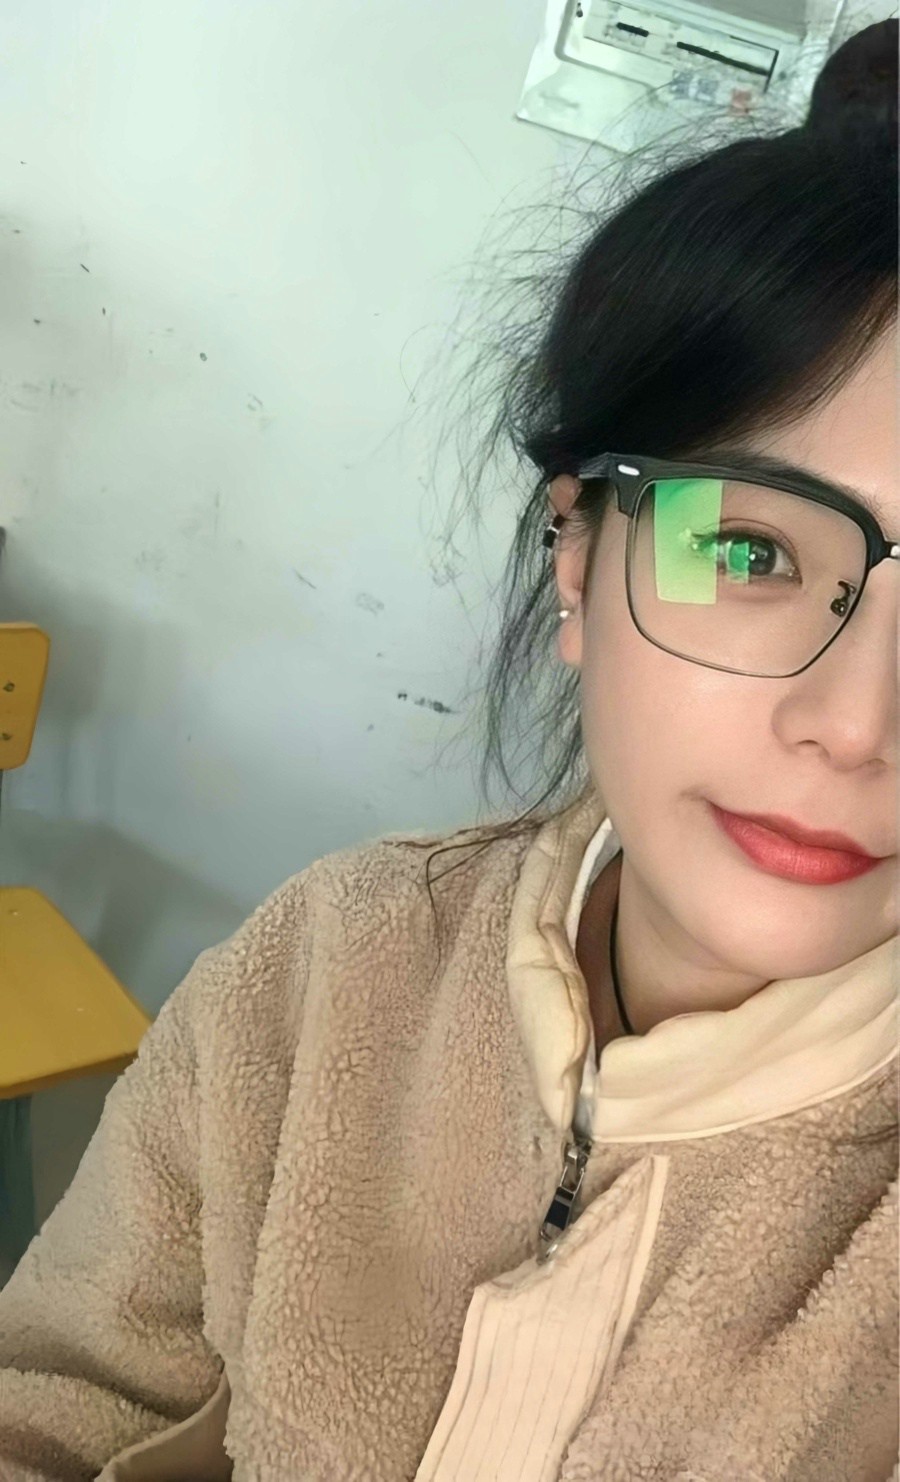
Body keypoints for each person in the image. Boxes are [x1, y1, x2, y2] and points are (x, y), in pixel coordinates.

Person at [0, 19, 897, 1482]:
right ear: (576, 557)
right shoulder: (323, 969)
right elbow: (56, 1394)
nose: (858, 725)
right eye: (749, 549)